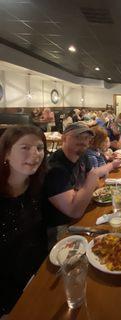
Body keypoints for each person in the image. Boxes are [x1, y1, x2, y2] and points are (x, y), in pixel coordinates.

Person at [0, 126, 48, 315]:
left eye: (39, 147)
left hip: (41, 277)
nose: (35, 154)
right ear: (6, 154)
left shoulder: (38, 185)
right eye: (25, 147)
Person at [43, 122, 113, 246]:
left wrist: (80, 191)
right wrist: (93, 176)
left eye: (87, 138)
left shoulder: (82, 155)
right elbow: (74, 210)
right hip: (62, 226)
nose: (83, 141)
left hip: (82, 212)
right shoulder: (55, 168)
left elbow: (95, 185)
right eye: (78, 137)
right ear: (63, 138)